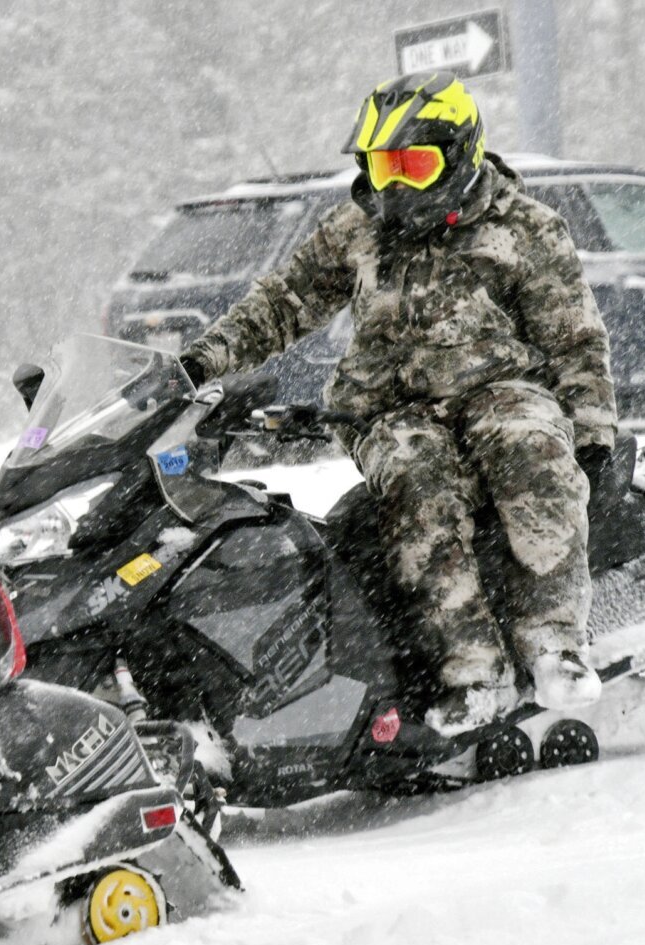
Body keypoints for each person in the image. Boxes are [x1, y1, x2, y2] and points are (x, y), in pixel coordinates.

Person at [178, 72, 612, 735]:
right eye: (383, 168)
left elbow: (574, 339)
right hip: (389, 407)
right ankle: (472, 668)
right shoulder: (357, 229)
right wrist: (201, 359)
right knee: (416, 478)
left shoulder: (526, 228)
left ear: (460, 154)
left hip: (499, 389)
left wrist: (593, 431)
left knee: (530, 446)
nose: (397, 187)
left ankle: (554, 644)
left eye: (414, 165)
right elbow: (282, 302)